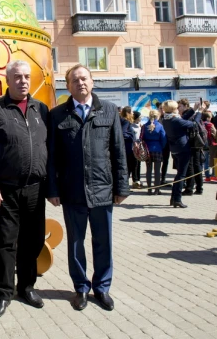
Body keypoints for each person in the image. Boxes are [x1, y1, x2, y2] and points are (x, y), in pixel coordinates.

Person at [47, 64, 129, 312]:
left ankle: (102, 288)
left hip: (103, 190)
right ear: (68, 85)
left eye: (84, 79)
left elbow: (118, 151)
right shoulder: (58, 114)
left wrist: (122, 185)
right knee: (75, 243)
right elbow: (52, 156)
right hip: (72, 192)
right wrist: (52, 189)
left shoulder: (109, 110)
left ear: (92, 82)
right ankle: (81, 287)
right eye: (75, 80)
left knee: (103, 241)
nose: (80, 83)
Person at [0, 59, 48, 319]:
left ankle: (26, 287)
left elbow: (47, 148)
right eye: (17, 77)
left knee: (33, 241)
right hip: (4, 191)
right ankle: (3, 294)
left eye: (27, 76)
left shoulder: (41, 109)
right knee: (5, 244)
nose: (23, 81)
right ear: (7, 80)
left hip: (35, 190)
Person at [162, 100, 201, 208]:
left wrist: (194, 109)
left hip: (174, 149)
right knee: (181, 175)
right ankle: (177, 199)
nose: (178, 109)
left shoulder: (166, 118)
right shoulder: (175, 120)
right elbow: (194, 124)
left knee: (179, 174)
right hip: (183, 149)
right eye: (177, 107)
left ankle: (173, 198)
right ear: (174, 109)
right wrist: (199, 113)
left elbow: (182, 119)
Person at [178, 99, 204, 196]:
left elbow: (193, 125)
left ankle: (190, 188)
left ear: (185, 106)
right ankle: (199, 187)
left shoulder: (187, 115)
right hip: (195, 142)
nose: (178, 108)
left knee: (191, 166)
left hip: (191, 142)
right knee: (196, 165)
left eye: (180, 106)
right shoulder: (193, 115)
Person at [142, 109, 167, 195]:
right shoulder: (160, 126)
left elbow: (142, 138)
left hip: (147, 150)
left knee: (148, 170)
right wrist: (162, 147)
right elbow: (163, 138)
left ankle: (149, 189)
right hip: (157, 149)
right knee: (157, 170)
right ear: (157, 116)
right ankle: (157, 189)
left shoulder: (144, 126)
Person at [120, 107, 137, 189]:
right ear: (128, 113)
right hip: (128, 148)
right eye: (132, 112)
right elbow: (123, 133)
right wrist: (131, 137)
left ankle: (125, 185)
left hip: (126, 147)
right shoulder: (126, 121)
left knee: (127, 167)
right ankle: (125, 186)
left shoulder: (122, 120)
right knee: (129, 167)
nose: (133, 114)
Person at [202, 111, 217, 182]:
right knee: (214, 159)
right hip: (212, 144)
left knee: (205, 161)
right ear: (208, 118)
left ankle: (207, 176)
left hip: (204, 144)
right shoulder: (210, 125)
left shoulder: (201, 124)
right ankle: (213, 175)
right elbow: (215, 134)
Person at [156, 102, 170, 185]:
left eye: (163, 109)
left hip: (167, 143)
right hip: (158, 144)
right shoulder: (156, 119)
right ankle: (157, 179)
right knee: (157, 162)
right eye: (161, 108)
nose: (162, 110)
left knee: (165, 161)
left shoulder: (167, 118)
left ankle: (163, 178)